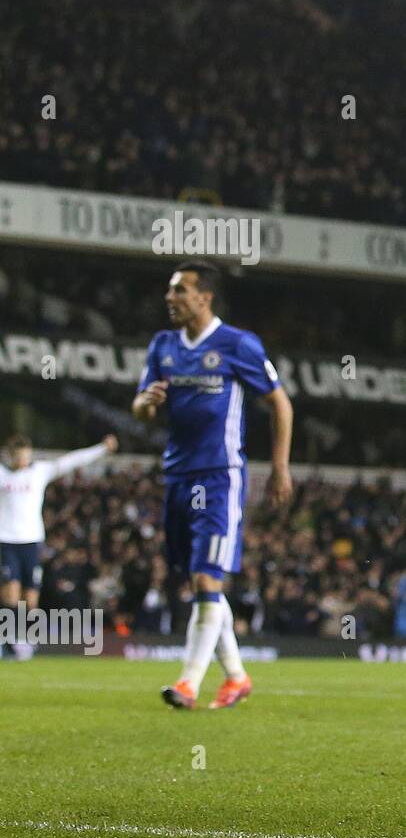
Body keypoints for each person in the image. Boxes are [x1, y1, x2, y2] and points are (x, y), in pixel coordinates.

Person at [132, 261, 294, 709]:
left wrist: (279, 467)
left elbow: (280, 403)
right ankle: (238, 677)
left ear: (205, 297)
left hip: (220, 477)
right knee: (201, 582)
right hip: (177, 477)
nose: (170, 298)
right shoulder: (163, 346)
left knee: (207, 577)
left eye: (179, 290)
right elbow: (141, 407)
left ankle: (188, 683)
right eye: (170, 290)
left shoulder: (236, 344)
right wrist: (145, 403)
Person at [0, 433, 118, 657]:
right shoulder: (2, 474)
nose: (23, 460)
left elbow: (71, 461)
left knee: (31, 599)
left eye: (26, 456)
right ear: (10, 455)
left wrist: (102, 448)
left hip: (31, 542)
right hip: (5, 541)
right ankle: (7, 641)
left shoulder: (38, 472)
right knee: (10, 595)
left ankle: (26, 640)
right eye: (18, 456)